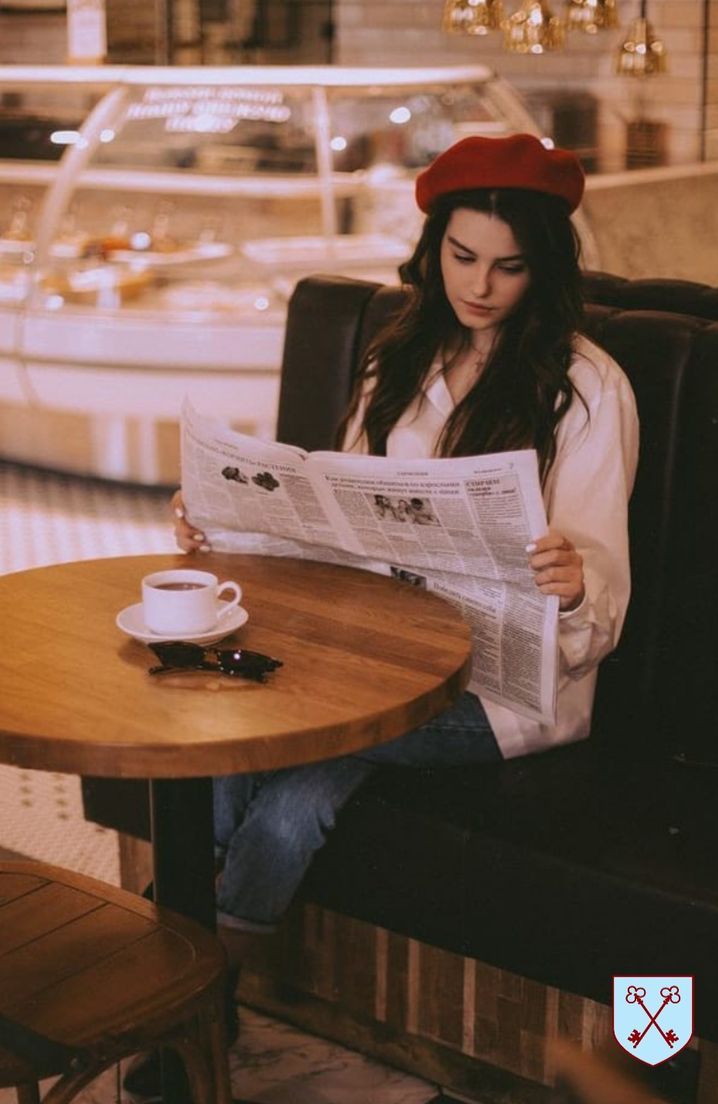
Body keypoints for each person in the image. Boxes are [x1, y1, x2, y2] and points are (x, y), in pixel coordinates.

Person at [173, 133, 638, 939]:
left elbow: (601, 601)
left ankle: (180, 978)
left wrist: (571, 583)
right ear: (433, 249)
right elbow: (341, 519)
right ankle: (189, 979)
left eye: (509, 265)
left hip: (500, 692)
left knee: (274, 738)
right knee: (276, 782)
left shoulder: (588, 388)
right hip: (382, 651)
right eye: (462, 257)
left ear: (545, 268)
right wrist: (227, 524)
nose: (480, 286)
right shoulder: (401, 357)